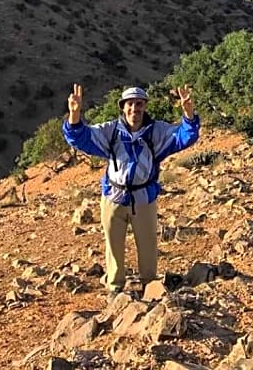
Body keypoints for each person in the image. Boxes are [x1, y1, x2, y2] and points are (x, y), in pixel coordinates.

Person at [62, 83, 199, 293]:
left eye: (139, 104)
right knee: (113, 247)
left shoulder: (156, 132)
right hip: (113, 197)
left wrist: (188, 114)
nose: (134, 109)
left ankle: (149, 286)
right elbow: (80, 138)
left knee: (148, 247)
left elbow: (184, 136)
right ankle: (115, 288)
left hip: (144, 198)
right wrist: (74, 114)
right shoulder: (111, 131)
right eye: (130, 104)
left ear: (145, 106)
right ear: (122, 107)